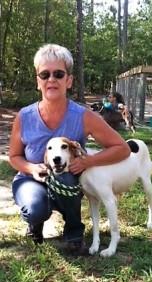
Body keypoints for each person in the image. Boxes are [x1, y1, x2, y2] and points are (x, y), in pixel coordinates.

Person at [9, 44, 131, 255]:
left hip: (68, 179)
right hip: (31, 178)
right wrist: (31, 168)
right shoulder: (24, 116)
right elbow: (14, 156)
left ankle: (74, 233)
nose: (51, 79)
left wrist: (87, 161)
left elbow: (122, 148)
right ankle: (35, 225)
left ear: (69, 80)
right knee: (35, 207)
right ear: (38, 81)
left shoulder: (83, 116)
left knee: (68, 180)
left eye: (58, 73)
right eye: (44, 74)